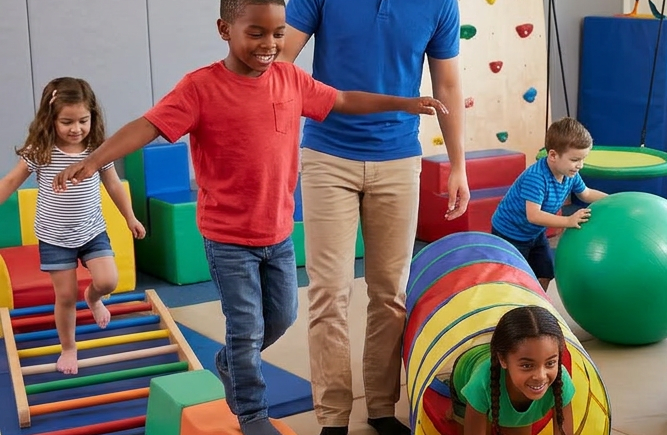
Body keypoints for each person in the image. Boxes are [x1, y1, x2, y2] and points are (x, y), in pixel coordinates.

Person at [50, 1, 447, 434]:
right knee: (245, 326)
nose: (269, 44)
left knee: (281, 318)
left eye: (278, 34)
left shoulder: (291, 80)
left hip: (276, 235)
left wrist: (404, 103)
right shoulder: (200, 88)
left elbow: (344, 99)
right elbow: (147, 125)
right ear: (225, 29)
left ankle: (231, 361)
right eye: (256, 33)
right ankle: (252, 413)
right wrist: (93, 161)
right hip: (227, 238)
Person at [277, 0, 469, 433]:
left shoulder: (440, 4)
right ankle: (332, 417)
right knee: (329, 291)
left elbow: (448, 84)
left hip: (399, 158)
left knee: (389, 294)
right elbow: (280, 58)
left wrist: (458, 164)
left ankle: (382, 408)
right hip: (327, 154)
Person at [0, 77, 145, 375]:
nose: (76, 128)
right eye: (67, 121)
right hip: (54, 237)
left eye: (83, 120)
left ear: (93, 116)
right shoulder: (40, 150)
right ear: (50, 119)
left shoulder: (97, 149)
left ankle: (92, 298)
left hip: (92, 231)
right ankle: (69, 347)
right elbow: (12, 180)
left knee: (108, 282)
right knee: (65, 297)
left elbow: (114, 185)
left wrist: (130, 217)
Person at [490, 118, 607, 291]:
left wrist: (612, 199)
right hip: (510, 234)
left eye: (583, 159)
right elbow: (534, 215)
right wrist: (568, 221)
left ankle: (538, 305)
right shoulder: (536, 178)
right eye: (575, 159)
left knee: (545, 272)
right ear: (553, 155)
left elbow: (586, 193)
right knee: (515, 279)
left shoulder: (570, 175)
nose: (580, 165)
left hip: (534, 234)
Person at [447, 305, 574, 435]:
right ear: (502, 359)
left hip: (504, 395)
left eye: (550, 363)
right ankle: (453, 406)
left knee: (513, 424)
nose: (541, 376)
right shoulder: (481, 384)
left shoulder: (560, 380)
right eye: (527, 366)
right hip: (466, 371)